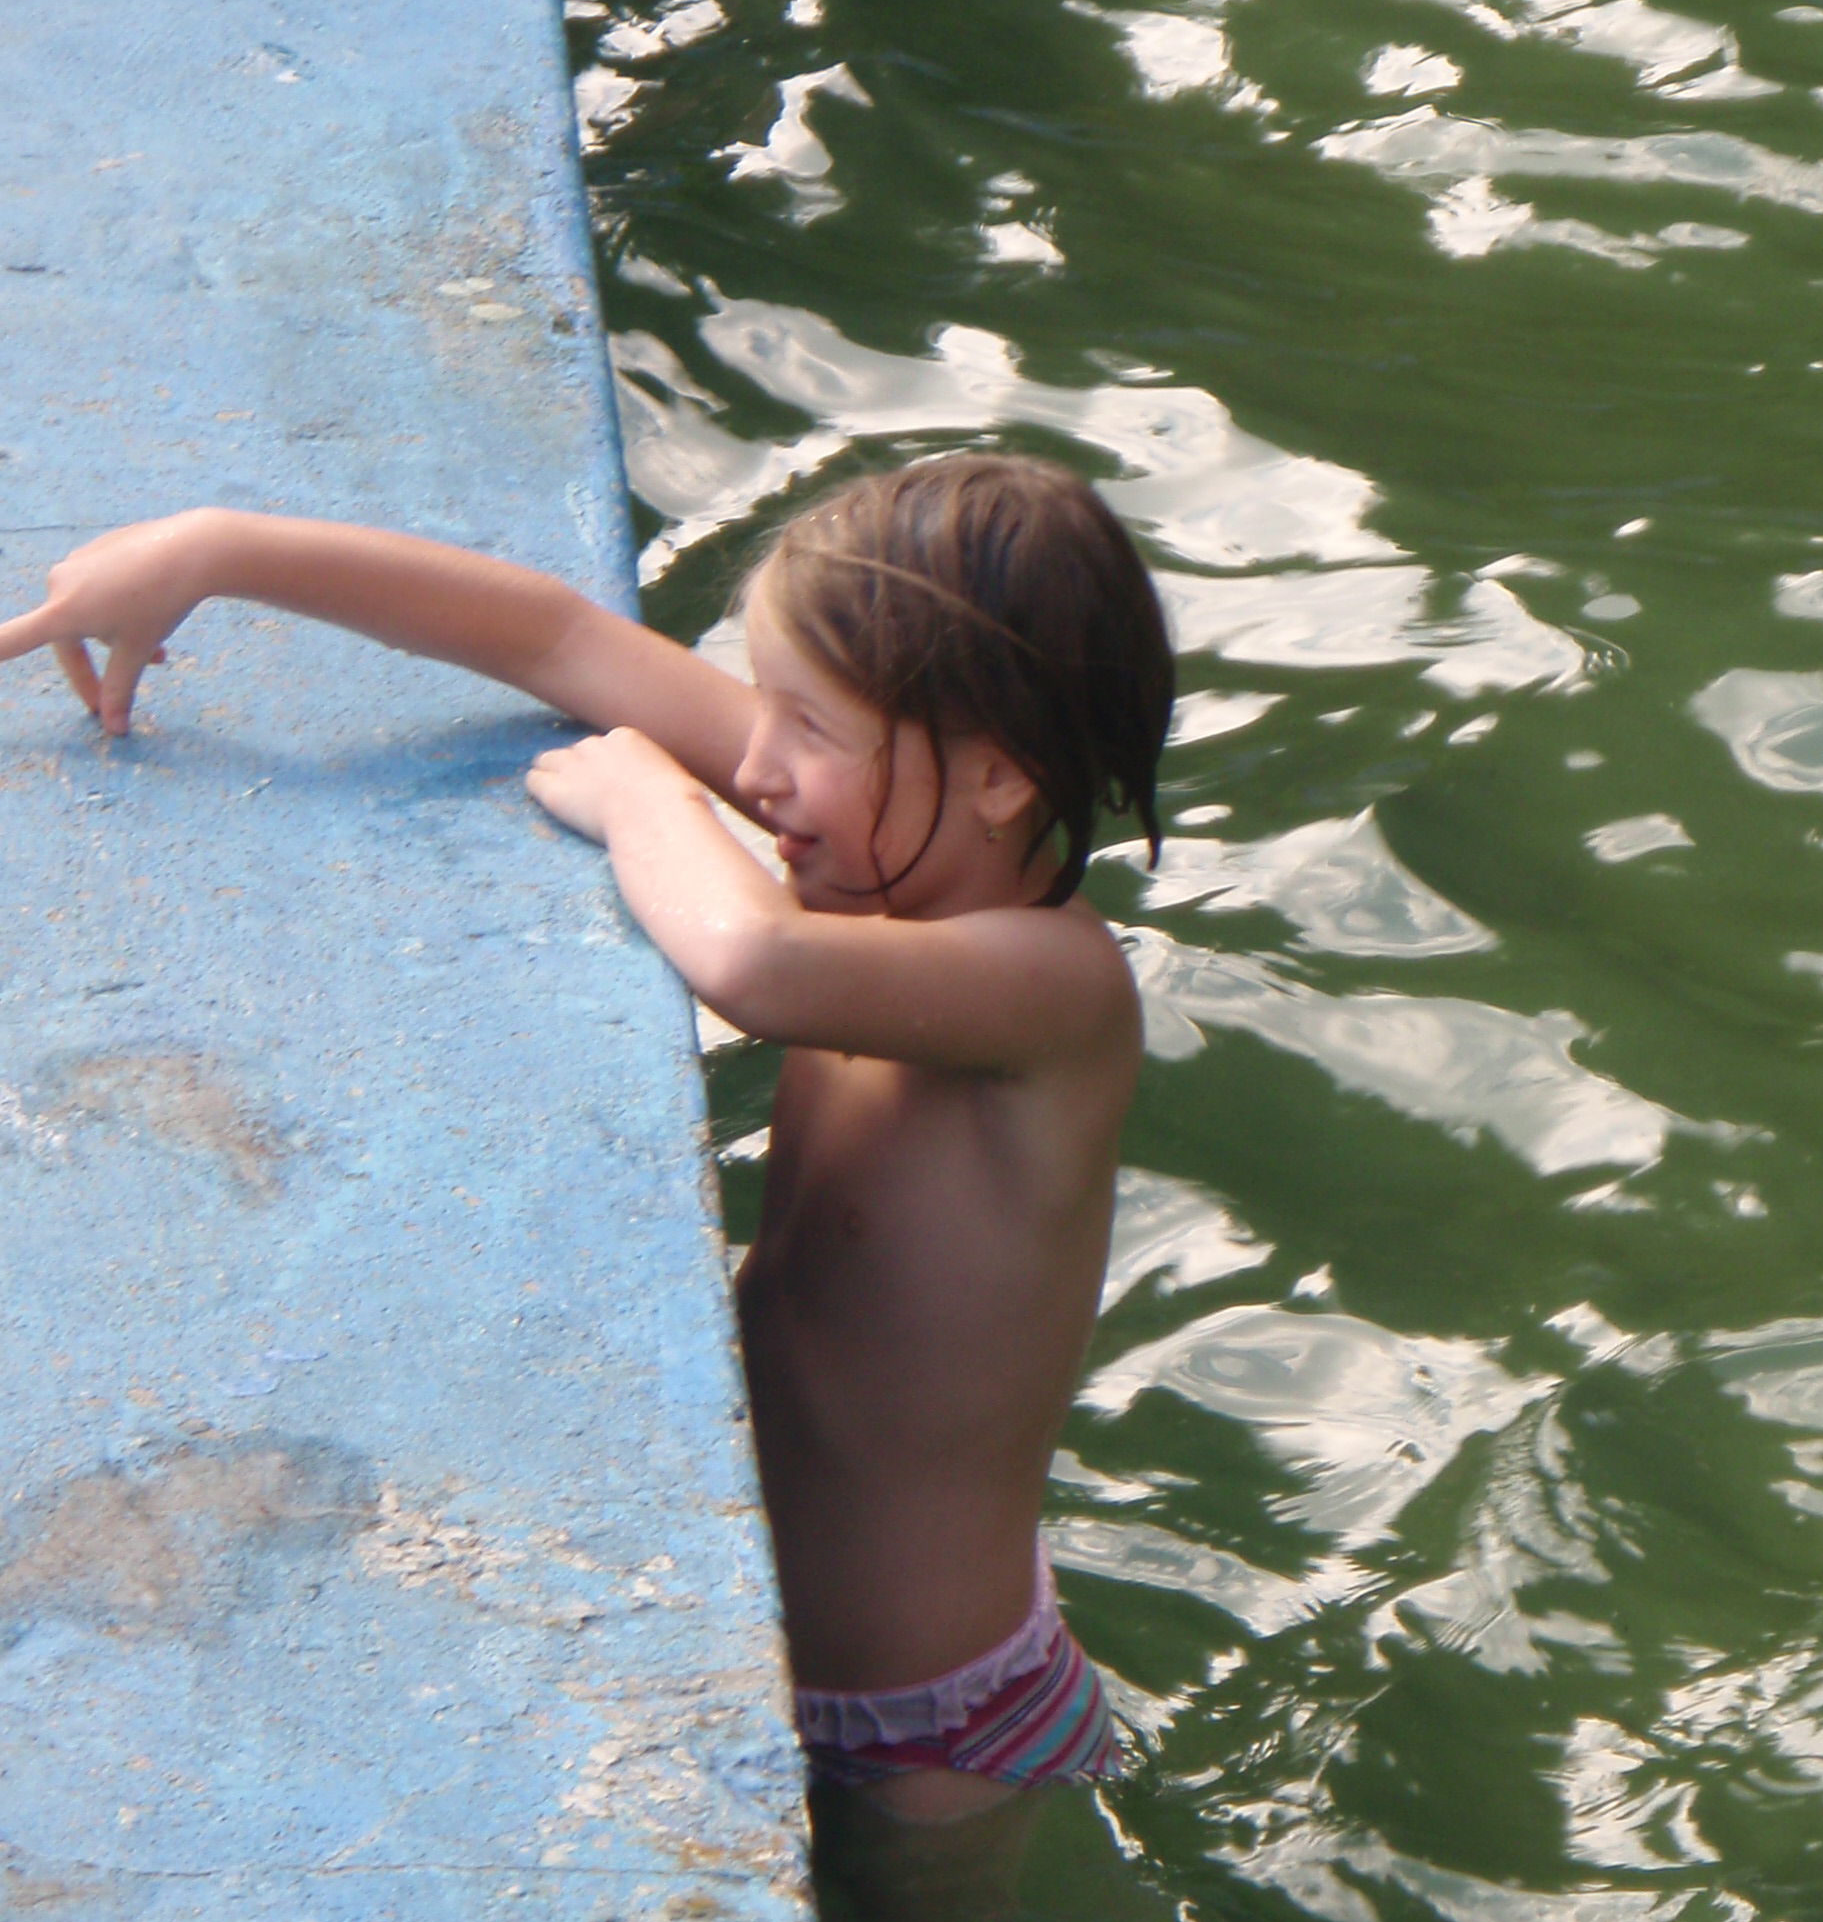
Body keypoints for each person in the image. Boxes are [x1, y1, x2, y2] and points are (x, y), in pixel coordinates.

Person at [0, 454, 1174, 1824]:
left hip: (936, 1733)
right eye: (762, 708)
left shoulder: (1054, 988)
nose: (753, 766)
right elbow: (559, 639)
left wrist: (648, 803)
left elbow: (756, 964)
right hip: (783, 1658)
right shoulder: (878, 839)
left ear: (998, 779)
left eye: (803, 725)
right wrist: (216, 550)